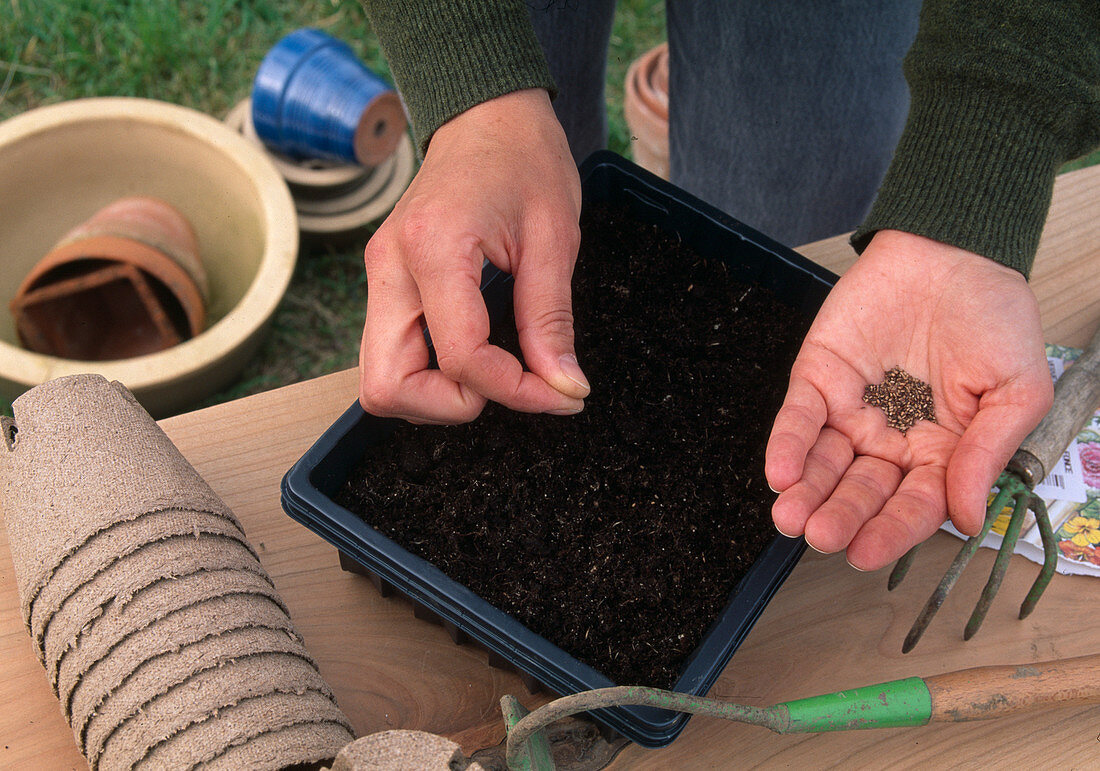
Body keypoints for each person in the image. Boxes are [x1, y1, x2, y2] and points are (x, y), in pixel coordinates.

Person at [354, 1, 1100, 572]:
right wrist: (473, 88)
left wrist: (973, 177)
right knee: (515, 220)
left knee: (789, 212)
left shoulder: (890, 385)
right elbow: (481, 92)